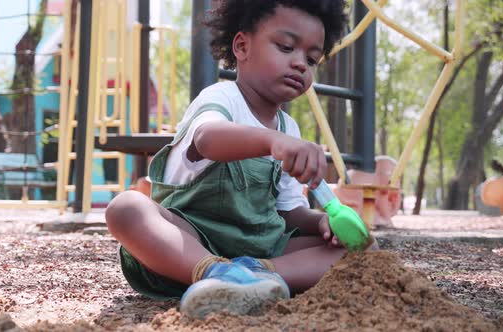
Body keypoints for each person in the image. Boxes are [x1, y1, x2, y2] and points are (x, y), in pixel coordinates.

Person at [106, 0, 352, 319]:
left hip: (260, 250)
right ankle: (215, 274)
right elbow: (207, 140)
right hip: (191, 243)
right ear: (242, 45)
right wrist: (273, 142)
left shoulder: (288, 127)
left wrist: (321, 221)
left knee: (356, 251)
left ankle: (257, 276)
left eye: (311, 58)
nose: (300, 64)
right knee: (126, 208)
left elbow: (289, 211)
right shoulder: (221, 99)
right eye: (286, 47)